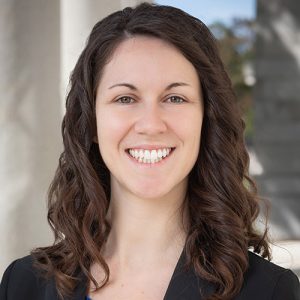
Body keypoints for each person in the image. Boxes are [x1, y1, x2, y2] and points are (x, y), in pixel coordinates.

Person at [1, 2, 299, 300]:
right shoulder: (24, 284)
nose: (151, 124)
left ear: (206, 119)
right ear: (91, 122)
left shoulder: (267, 290)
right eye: (125, 99)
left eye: (174, 98)